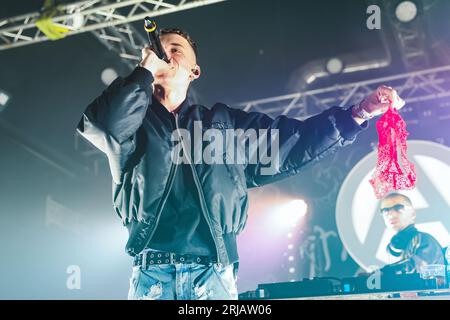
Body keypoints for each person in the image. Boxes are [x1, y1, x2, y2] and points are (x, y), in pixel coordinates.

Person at [76, 27, 405, 300]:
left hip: (211, 274)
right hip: (152, 276)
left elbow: (292, 142)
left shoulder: (223, 125)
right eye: (159, 49)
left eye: (175, 49)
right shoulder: (134, 124)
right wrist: (144, 72)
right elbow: (102, 125)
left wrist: (359, 112)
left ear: (194, 71)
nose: (165, 54)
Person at [379, 193, 444, 275]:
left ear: (413, 213)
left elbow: (418, 270)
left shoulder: (425, 240)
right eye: (385, 211)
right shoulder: (391, 247)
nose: (391, 214)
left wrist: (381, 273)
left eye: (398, 208)